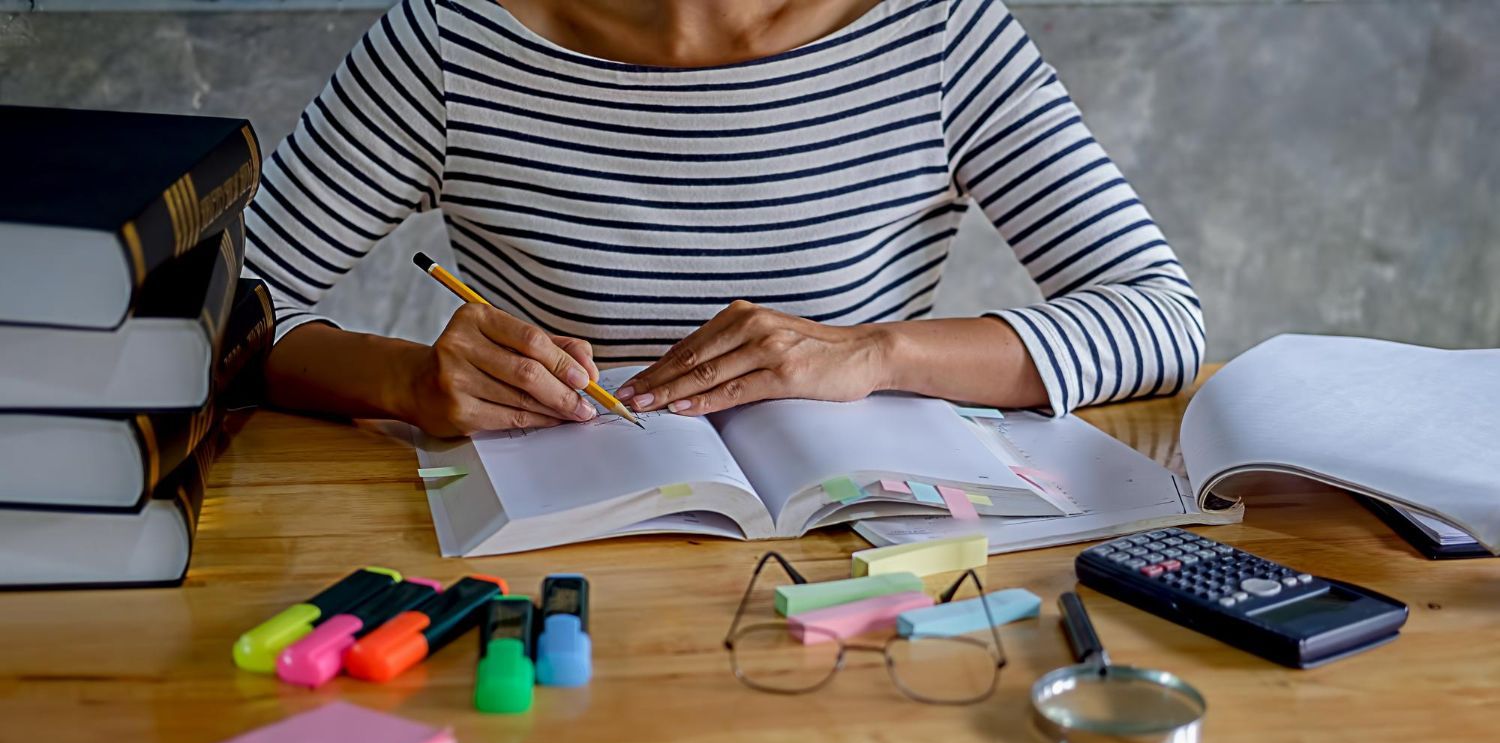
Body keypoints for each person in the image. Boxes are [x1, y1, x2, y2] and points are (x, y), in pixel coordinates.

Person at [246, 0, 1203, 437]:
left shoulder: (940, 33)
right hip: (550, 573)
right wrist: (409, 380)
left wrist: (874, 352)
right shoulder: (447, 45)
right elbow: (209, 317)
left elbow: (1163, 321)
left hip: (850, 576)